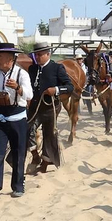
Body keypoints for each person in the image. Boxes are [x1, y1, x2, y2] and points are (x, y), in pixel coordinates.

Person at [0, 43, 31, 199]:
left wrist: (18, 88)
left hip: (18, 118)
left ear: (10, 58)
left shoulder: (21, 74)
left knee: (19, 153)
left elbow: (29, 95)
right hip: (0, 119)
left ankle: (18, 186)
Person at [26, 42, 72, 173]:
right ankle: (35, 157)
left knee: (49, 135)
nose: (38, 57)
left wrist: (56, 89)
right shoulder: (32, 69)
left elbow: (69, 86)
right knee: (27, 129)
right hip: (35, 107)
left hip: (50, 107)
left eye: (40, 54)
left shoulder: (57, 68)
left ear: (48, 54)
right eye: (36, 54)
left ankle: (46, 163)